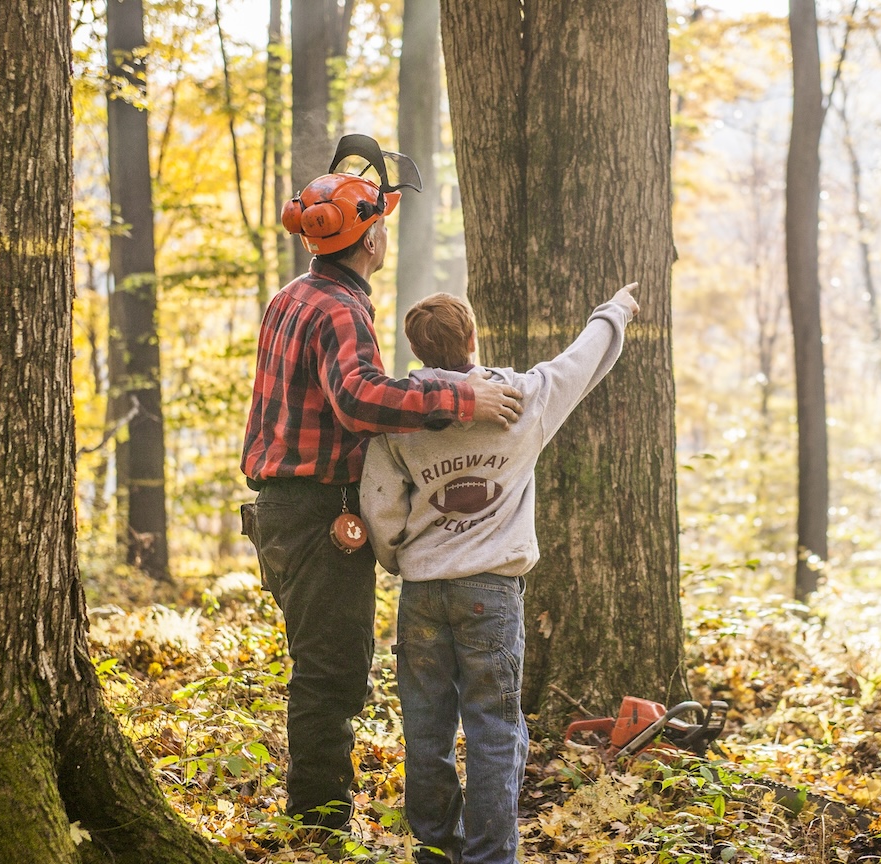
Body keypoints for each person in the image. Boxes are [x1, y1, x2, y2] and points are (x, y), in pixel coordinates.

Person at [241, 136, 524, 840]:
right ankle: (319, 825)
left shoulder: (292, 296)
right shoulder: (340, 310)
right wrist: (464, 402)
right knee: (332, 673)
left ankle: (318, 816)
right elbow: (359, 399)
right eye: (382, 226)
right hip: (315, 514)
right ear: (369, 239)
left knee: (322, 664)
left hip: (283, 509)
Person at [359, 284, 640, 864]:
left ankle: (435, 849)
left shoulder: (399, 419)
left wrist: (401, 559)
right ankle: (489, 858)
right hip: (491, 591)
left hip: (423, 592)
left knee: (426, 727)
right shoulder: (524, 399)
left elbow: (380, 504)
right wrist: (613, 310)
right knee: (494, 731)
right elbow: (583, 362)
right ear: (472, 339)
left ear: (416, 353)